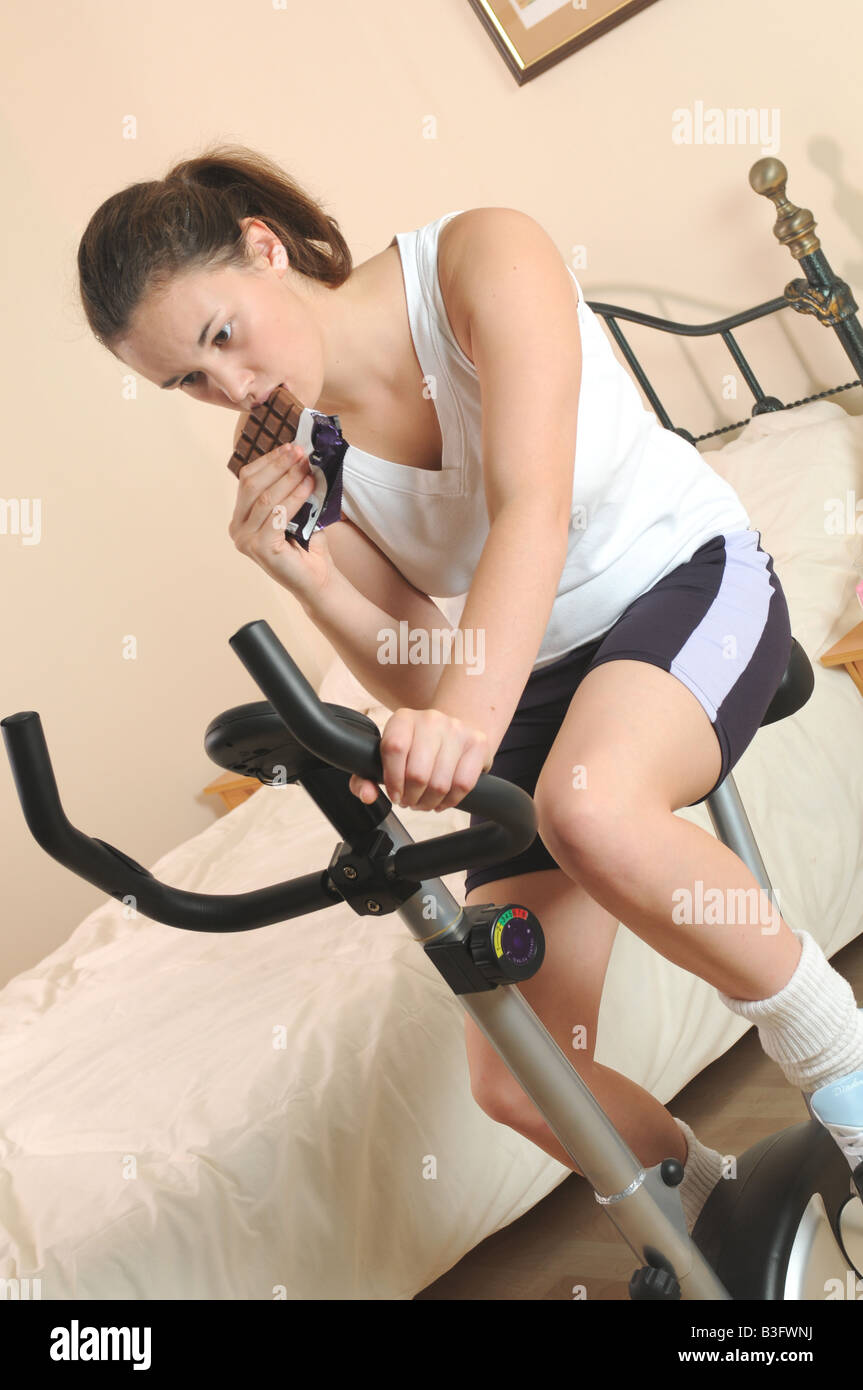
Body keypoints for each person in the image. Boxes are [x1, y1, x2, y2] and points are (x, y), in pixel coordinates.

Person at [77, 142, 863, 1244]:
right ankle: (722, 1207)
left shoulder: (476, 262)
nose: (233, 389)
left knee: (587, 804)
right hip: (527, 680)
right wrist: (301, 574)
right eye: (189, 382)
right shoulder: (310, 457)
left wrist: (468, 727)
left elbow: (531, 504)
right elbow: (425, 668)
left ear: (261, 248)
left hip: (686, 582)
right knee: (515, 1074)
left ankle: (848, 1081)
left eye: (220, 337)